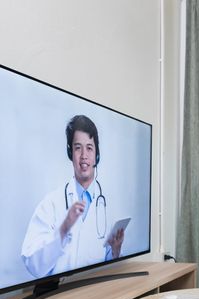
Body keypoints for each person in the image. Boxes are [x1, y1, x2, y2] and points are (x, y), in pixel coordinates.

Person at [21, 115, 125, 278]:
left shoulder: (108, 204)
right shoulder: (51, 203)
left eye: (89, 148)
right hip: (60, 296)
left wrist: (116, 252)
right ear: (70, 151)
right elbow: (32, 264)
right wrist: (63, 229)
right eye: (78, 148)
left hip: (98, 290)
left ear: (96, 154)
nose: (84, 155)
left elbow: (108, 266)